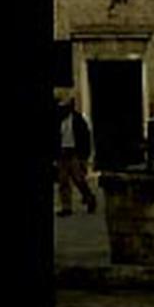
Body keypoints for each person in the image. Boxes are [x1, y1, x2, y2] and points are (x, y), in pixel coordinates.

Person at [55, 88, 96, 217]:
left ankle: (89, 197)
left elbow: (85, 137)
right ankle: (66, 207)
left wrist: (85, 156)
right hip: (62, 153)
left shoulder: (78, 120)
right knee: (63, 182)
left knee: (79, 179)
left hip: (74, 153)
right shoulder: (58, 122)